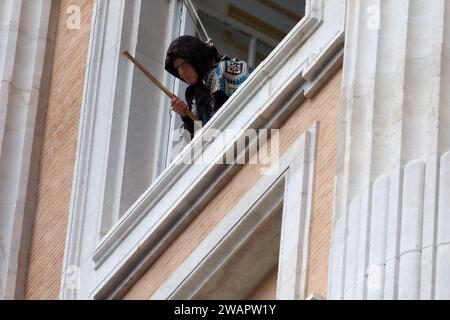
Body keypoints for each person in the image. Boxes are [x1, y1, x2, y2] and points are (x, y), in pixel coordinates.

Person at [165, 35, 253, 139]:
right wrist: (185, 115)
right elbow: (194, 142)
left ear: (195, 58)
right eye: (177, 68)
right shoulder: (194, 98)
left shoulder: (225, 69)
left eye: (184, 64)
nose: (181, 72)